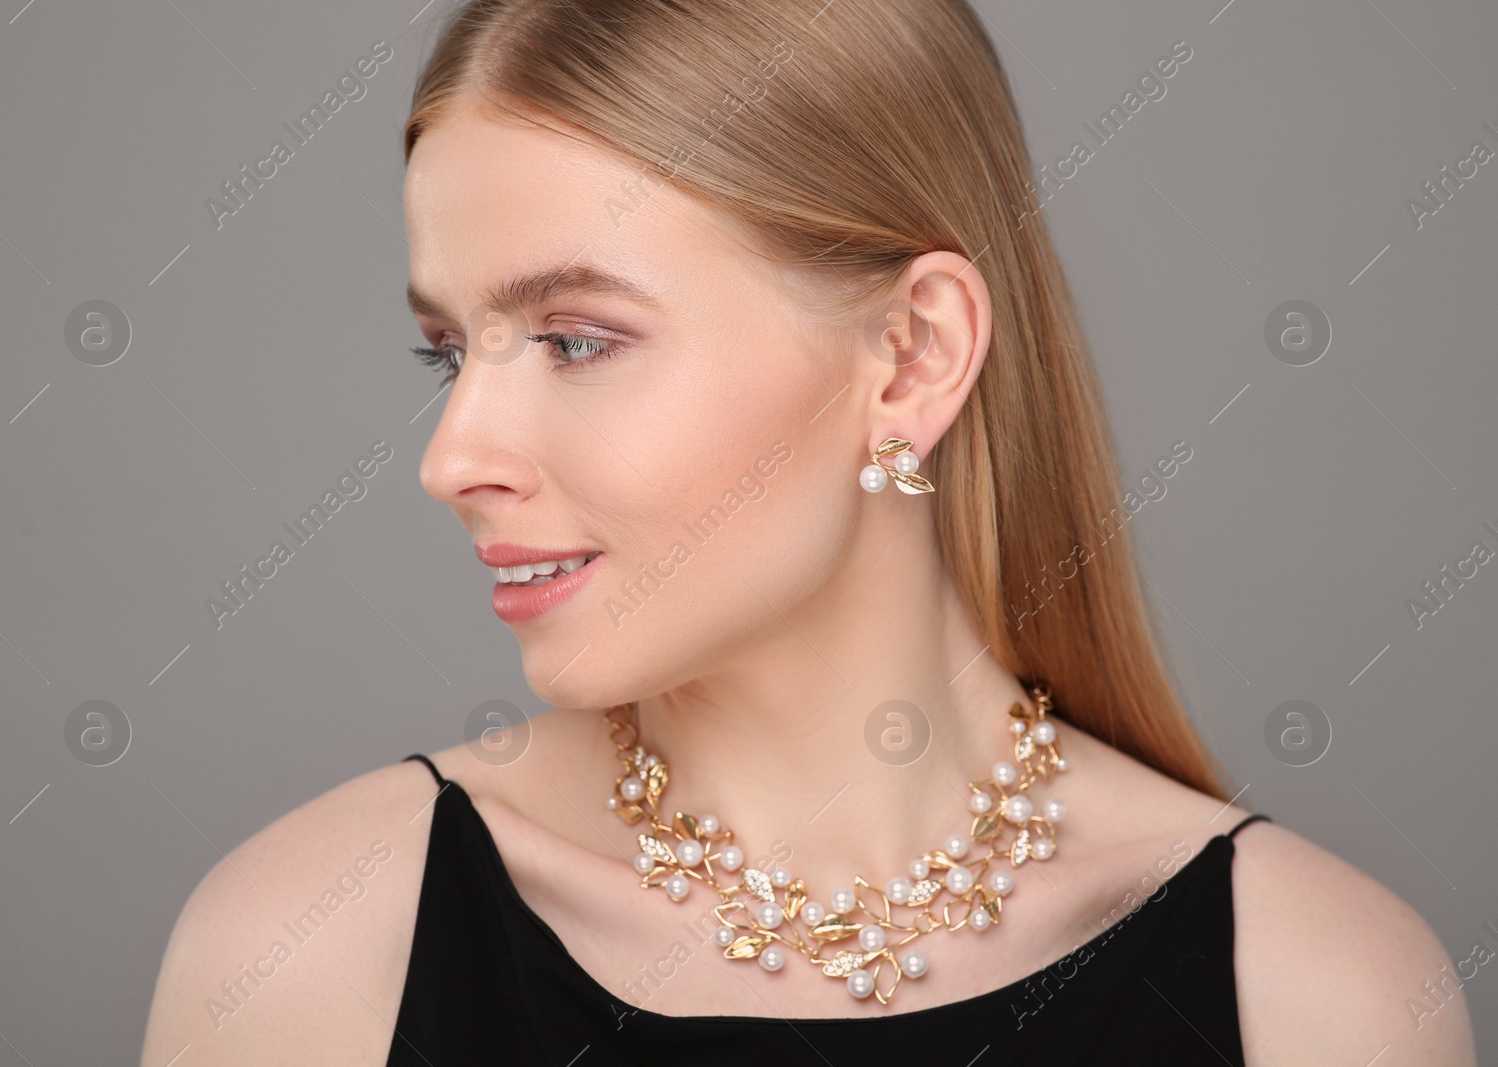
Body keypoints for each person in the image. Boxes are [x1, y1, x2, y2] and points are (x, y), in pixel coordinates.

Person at [140, 1, 1477, 1063]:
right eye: (452, 353)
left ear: (910, 357)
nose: (454, 459)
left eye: (577, 339)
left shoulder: (1316, 995)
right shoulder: (318, 944)